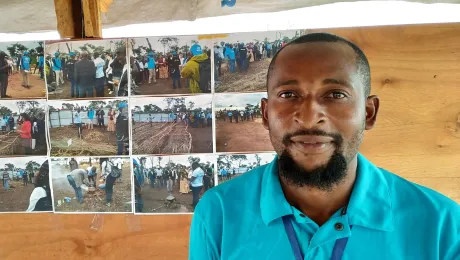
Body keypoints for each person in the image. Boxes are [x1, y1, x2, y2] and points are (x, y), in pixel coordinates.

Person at [189, 33, 460, 259]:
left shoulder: (442, 225)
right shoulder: (219, 212)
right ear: (265, 114)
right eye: (288, 94)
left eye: (335, 94)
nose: (308, 116)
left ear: (369, 113)